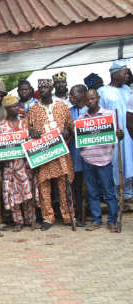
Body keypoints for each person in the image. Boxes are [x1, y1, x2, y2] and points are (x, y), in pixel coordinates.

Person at [27, 79, 75, 230]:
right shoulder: (33, 110)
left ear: (51, 88)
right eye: (40, 87)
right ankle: (48, 217)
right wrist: (31, 132)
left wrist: (67, 131)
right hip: (43, 154)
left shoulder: (62, 106)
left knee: (64, 184)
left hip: (61, 152)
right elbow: (28, 130)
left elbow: (70, 126)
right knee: (44, 186)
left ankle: (68, 215)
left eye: (46, 87)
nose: (43, 90)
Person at [80, 89, 122, 232]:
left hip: (105, 159)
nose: (90, 102)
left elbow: (117, 136)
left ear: (98, 98)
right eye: (87, 100)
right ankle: (96, 220)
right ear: (84, 101)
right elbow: (80, 141)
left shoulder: (109, 115)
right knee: (92, 192)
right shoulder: (81, 119)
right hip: (88, 160)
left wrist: (119, 135)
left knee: (109, 192)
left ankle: (112, 220)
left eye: (93, 98)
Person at [0, 96, 38, 231]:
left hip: (25, 164)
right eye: (12, 107)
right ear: (7, 109)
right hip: (9, 165)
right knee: (13, 193)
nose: (16, 108)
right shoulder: (0, 127)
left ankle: (30, 220)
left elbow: (33, 142)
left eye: (16, 105)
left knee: (27, 191)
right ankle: (18, 221)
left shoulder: (25, 123)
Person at [98, 60, 133, 210]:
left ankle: (128, 194)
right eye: (124, 72)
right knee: (114, 164)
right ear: (114, 74)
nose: (127, 75)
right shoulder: (103, 91)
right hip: (112, 135)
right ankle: (113, 195)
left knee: (129, 163)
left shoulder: (127, 89)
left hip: (128, 133)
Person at [68, 85, 89, 226]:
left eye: (73, 94)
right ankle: (79, 215)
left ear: (82, 94)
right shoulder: (69, 112)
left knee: (90, 188)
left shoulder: (90, 110)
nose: (70, 98)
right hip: (75, 156)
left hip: (90, 157)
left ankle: (92, 215)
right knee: (76, 188)